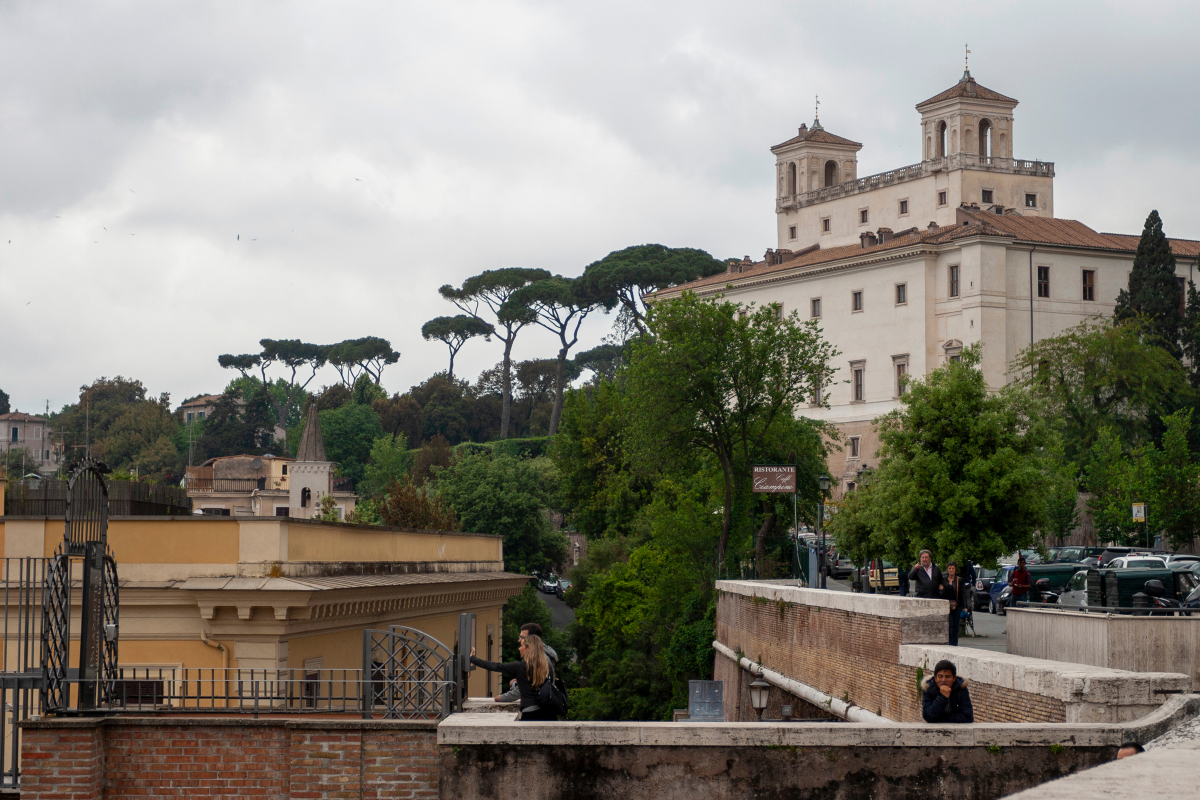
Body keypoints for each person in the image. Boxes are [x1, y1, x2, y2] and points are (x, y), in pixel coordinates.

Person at [470, 633, 558, 721]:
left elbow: (497, 666)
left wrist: (473, 659)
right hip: (549, 712)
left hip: (531, 713)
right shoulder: (545, 665)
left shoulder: (521, 666)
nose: (519, 648)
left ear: (528, 648)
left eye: (522, 646)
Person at [495, 624, 558, 702]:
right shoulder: (546, 653)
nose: (519, 640)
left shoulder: (538, 658)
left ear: (532, 639)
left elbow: (521, 691)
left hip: (538, 708)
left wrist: (501, 698)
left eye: (522, 637)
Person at [921, 659, 974, 723]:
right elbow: (928, 716)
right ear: (935, 678)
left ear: (954, 678)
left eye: (947, 677)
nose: (943, 680)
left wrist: (939, 718)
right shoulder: (929, 689)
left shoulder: (961, 688)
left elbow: (968, 716)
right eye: (940, 676)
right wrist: (943, 697)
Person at [942, 563, 967, 646]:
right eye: (949, 568)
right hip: (947, 606)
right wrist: (941, 589)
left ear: (955, 570)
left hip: (957, 605)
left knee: (956, 626)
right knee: (949, 625)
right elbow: (941, 593)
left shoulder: (959, 580)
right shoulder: (944, 580)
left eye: (953, 568)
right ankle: (948, 643)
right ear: (947, 570)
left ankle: (954, 644)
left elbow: (963, 593)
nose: (951, 570)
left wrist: (965, 606)